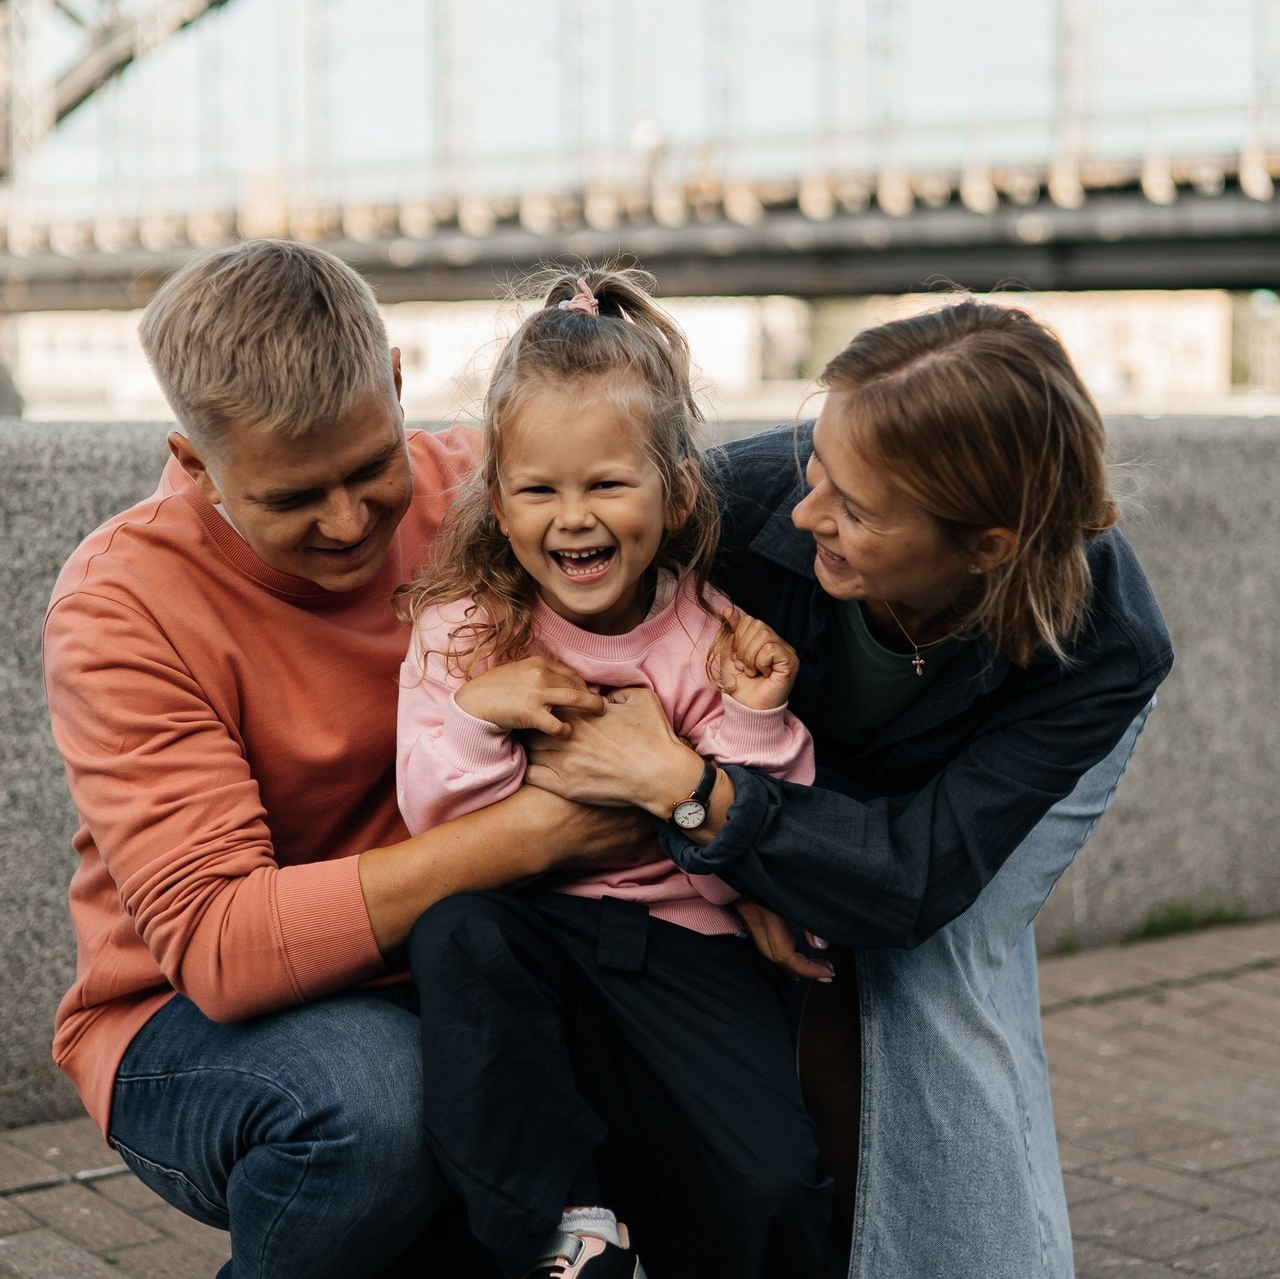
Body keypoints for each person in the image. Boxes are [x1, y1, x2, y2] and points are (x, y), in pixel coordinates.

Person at [519, 299, 1174, 1279]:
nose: (803, 511)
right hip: (762, 761)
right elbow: (543, 577)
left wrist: (699, 796)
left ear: (987, 544)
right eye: (814, 461)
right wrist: (741, 862)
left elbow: (910, 879)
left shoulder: (1099, 642)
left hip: (977, 757)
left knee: (930, 970)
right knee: (806, 956)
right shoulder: (739, 504)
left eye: (852, 509)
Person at [41, 239, 654, 1279]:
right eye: (290, 498)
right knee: (377, 1101)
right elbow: (224, 945)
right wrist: (530, 833)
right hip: (187, 1027)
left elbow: (698, 488)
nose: (349, 520)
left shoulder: (482, 492)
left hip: (453, 971)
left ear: (398, 382)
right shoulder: (121, 605)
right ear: (195, 465)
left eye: (371, 465)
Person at [395, 270, 831, 1279]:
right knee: (455, 935)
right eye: (538, 489)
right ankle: (563, 1227)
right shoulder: (462, 634)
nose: (572, 517)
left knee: (767, 1184)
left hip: (684, 948)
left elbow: (763, 835)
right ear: (497, 505)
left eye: (605, 484)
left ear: (674, 492)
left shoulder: (713, 636)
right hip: (532, 928)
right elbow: (433, 815)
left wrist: (755, 719)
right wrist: (475, 717)